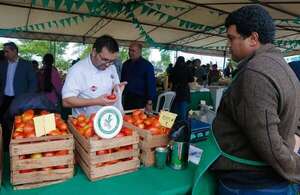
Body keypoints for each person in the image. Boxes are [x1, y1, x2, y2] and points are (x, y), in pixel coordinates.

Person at [211, 5, 300, 194]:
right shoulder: (281, 65)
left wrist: (295, 170)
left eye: (232, 38)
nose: (229, 44)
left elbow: (268, 142)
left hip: (251, 184)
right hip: (269, 181)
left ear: (253, 38)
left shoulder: (255, 73)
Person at [62, 35, 126, 116]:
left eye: (111, 61)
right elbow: (66, 101)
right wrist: (96, 101)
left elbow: (112, 92)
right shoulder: (77, 70)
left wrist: (117, 91)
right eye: (104, 59)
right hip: (85, 123)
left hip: (108, 121)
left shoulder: (112, 68)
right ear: (94, 52)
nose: (107, 64)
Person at [0, 42, 38, 149]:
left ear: (14, 51)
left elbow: (33, 83)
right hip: (5, 99)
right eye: (4, 52)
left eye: (7, 51)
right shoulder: (2, 64)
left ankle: (21, 146)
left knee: (20, 123)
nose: (5, 54)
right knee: (4, 122)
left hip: (20, 100)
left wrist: (28, 99)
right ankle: (6, 147)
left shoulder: (26, 64)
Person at [121, 42, 156, 111]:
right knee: (127, 118)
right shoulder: (126, 64)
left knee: (139, 120)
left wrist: (149, 103)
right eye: (129, 50)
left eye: (133, 51)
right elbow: (122, 81)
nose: (130, 52)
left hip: (141, 100)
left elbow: (151, 84)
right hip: (127, 99)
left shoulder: (147, 65)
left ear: (140, 52)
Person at [170, 56, 193, 121]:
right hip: (184, 90)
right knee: (183, 108)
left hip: (175, 90)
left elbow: (170, 79)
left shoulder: (174, 69)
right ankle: (183, 125)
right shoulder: (187, 68)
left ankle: (174, 123)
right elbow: (191, 79)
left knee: (175, 107)